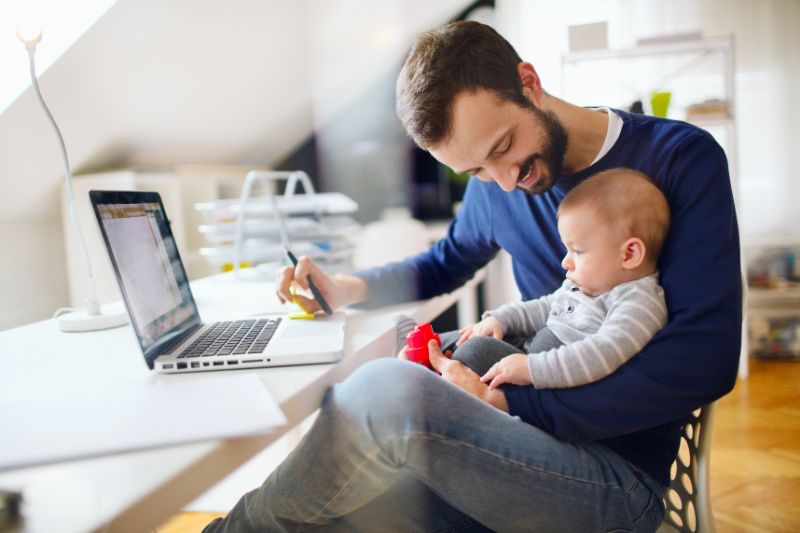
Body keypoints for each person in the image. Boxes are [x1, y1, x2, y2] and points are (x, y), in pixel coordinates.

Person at [205, 20, 741, 532]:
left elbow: (706, 362)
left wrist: (513, 402)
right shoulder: (495, 185)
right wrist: (349, 288)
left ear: (529, 84)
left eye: (503, 147)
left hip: (611, 481)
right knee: (329, 516)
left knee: (385, 393)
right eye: (477, 170)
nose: (505, 183)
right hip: (508, 447)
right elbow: (444, 263)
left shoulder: (678, 159)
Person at [444, 167, 670, 389]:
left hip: (547, 381)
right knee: (474, 339)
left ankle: (439, 381)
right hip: (529, 352)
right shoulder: (583, 285)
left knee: (474, 353)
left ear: (629, 254)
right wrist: (502, 319)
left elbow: (601, 354)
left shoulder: (639, 302)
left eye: (578, 252)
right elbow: (545, 307)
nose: (565, 262)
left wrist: (533, 369)